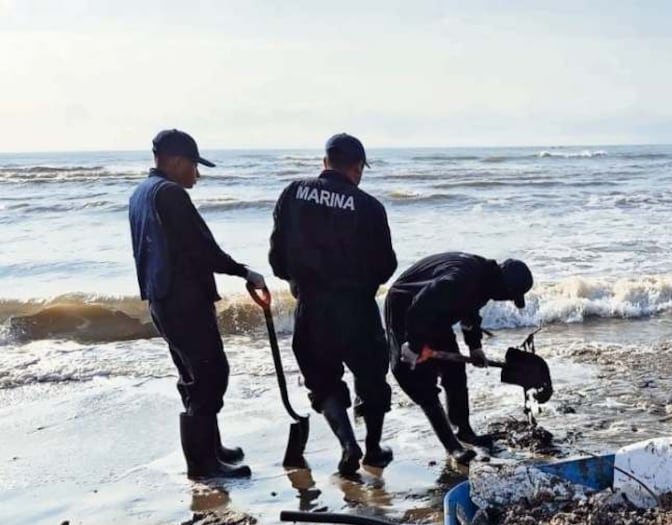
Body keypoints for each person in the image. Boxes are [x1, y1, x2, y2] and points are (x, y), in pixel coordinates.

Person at [128, 129, 264, 480]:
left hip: (162, 299)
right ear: (175, 162)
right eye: (193, 166)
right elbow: (201, 248)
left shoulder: (141, 194)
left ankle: (210, 450)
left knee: (192, 376)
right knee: (211, 374)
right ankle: (203, 465)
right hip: (183, 300)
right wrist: (243, 271)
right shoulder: (170, 194)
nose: (197, 175)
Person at [269, 133, 397, 476]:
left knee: (323, 381)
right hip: (357, 307)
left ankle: (346, 444)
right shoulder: (369, 207)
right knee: (371, 378)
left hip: (312, 306)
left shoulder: (293, 193)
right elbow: (387, 265)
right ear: (357, 168)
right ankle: (372, 449)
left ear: (325, 162)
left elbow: (277, 257)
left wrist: (295, 280)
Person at [385, 252, 534, 465]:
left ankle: (463, 430)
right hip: (406, 307)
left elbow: (469, 311)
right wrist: (415, 345)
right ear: (502, 285)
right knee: (419, 381)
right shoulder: (459, 279)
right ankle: (452, 447)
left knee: (454, 373)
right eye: (510, 295)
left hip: (435, 312)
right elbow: (422, 303)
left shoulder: (484, 281)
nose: (508, 299)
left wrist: (475, 347)